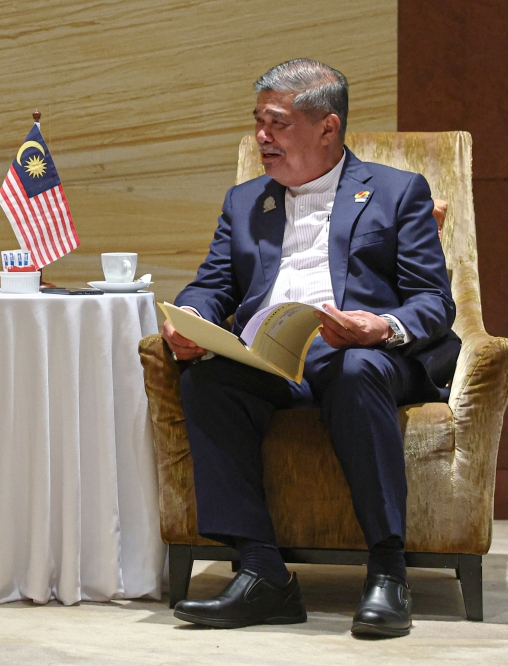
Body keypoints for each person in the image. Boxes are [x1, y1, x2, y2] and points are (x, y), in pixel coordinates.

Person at [163, 59, 459, 638]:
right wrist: (194, 317)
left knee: (353, 369)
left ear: (327, 128)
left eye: (276, 124)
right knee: (207, 381)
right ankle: (261, 572)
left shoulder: (397, 192)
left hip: (363, 354)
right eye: (258, 123)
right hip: (272, 356)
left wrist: (379, 326)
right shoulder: (246, 201)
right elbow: (212, 282)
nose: (261, 138)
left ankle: (387, 571)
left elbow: (432, 301)